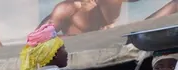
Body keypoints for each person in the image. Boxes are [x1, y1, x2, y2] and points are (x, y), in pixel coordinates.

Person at [42, 0, 178, 36]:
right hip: (86, 49)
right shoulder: (66, 8)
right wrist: (71, 40)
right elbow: (36, 39)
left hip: (125, 37)